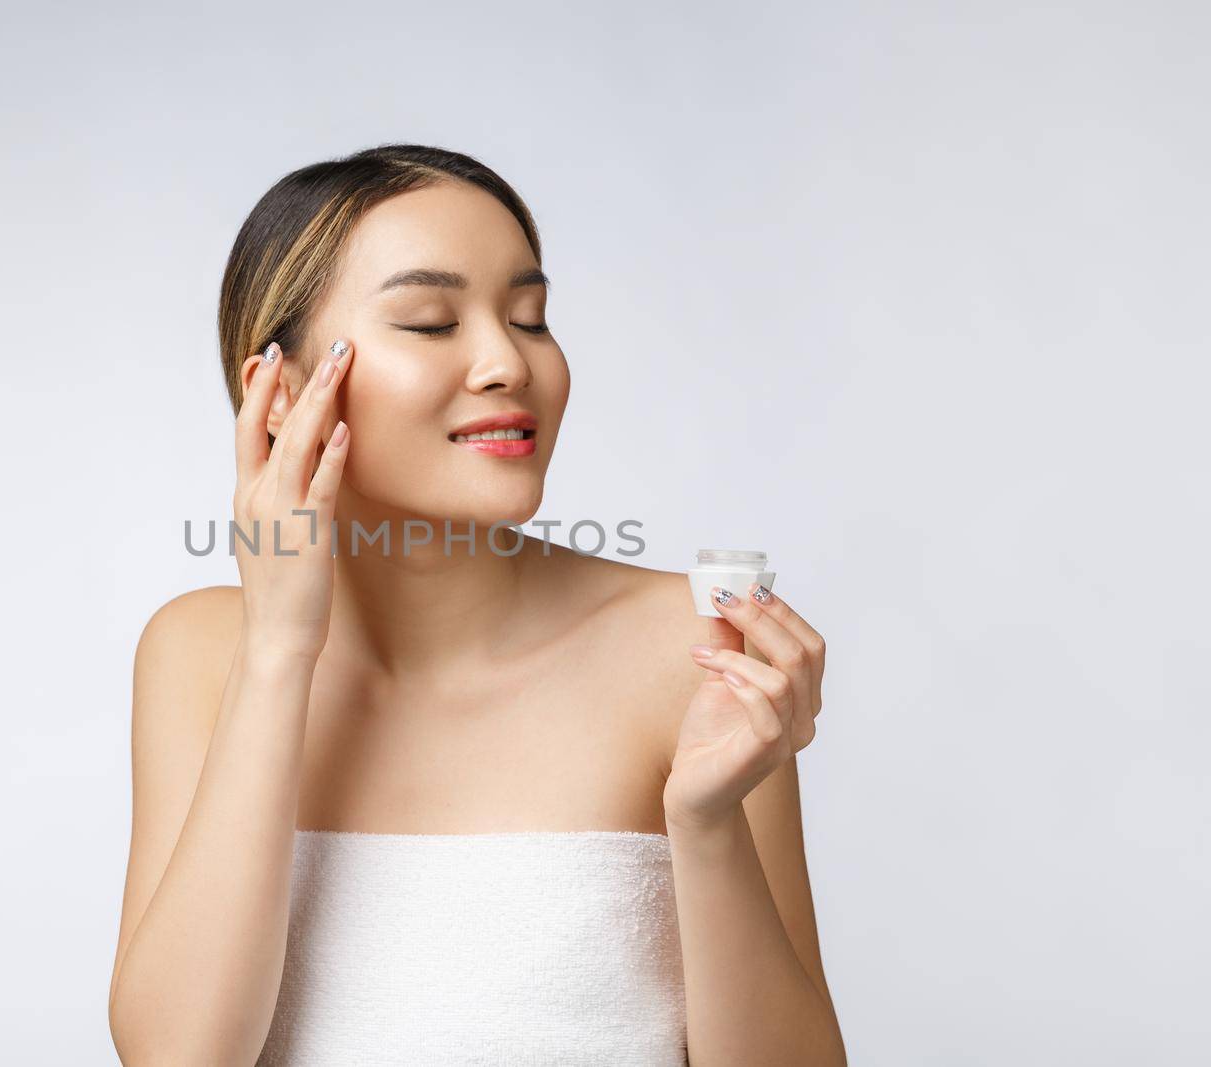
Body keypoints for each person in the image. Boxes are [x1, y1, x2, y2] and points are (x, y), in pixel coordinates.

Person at [108, 144, 846, 1066]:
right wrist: (278, 652)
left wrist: (706, 825)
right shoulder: (199, 651)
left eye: (529, 317)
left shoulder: (693, 649)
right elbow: (179, 1057)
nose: (507, 361)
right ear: (280, 388)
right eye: (428, 322)